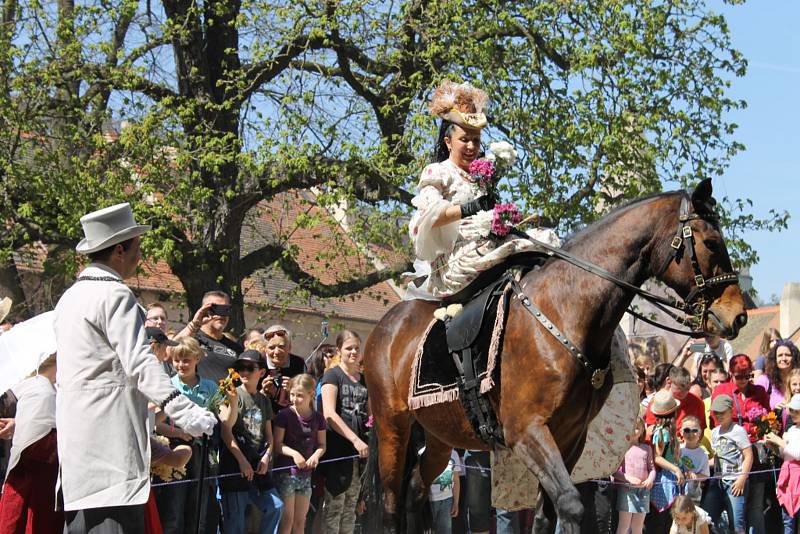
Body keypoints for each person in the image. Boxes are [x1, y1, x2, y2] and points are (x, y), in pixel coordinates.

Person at [54, 203, 216, 533]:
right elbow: (140, 361)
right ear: (118, 249)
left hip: (79, 455)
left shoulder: (69, 298)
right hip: (112, 453)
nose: (139, 257)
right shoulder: (114, 294)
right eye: (136, 248)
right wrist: (185, 412)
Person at [405, 80, 558, 299]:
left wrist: (504, 219)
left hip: (488, 241)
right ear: (448, 142)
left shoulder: (482, 176)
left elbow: (489, 216)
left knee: (544, 239)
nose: (471, 147)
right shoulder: (437, 172)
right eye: (464, 140)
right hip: (458, 258)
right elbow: (430, 218)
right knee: (509, 247)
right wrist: (470, 208)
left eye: (476, 141)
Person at [156, 336, 223, 534]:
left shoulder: (210, 387)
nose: (181, 364)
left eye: (186, 360)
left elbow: (223, 418)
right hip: (176, 448)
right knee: (173, 508)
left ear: (197, 359)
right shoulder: (168, 386)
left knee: (198, 508)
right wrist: (179, 432)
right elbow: (155, 423)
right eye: (177, 360)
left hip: (202, 452)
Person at [219, 349, 283, 534]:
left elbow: (269, 435)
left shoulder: (264, 400)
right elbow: (226, 432)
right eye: (240, 367)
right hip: (234, 464)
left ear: (261, 372)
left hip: (257, 463)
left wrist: (266, 457)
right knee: (235, 523)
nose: (244, 372)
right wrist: (241, 461)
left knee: (276, 506)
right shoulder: (230, 393)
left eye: (249, 368)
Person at [0, 354, 63, 533]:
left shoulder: (39, 388)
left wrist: (18, 425)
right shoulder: (43, 391)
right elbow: (37, 443)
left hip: (26, 484)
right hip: (38, 486)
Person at [708, 354, 769, 534]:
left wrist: (759, 432)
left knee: (756, 506)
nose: (742, 380)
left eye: (747, 376)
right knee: (727, 509)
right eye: (738, 376)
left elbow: (769, 420)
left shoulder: (759, 392)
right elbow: (715, 420)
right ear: (730, 373)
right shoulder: (722, 391)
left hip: (755, 456)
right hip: (729, 458)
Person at [320, 330, 369, 534]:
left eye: (357, 347)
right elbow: (329, 413)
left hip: (360, 455)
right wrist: (355, 439)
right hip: (338, 451)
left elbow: (371, 415)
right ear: (339, 350)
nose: (354, 352)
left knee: (351, 509)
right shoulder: (332, 375)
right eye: (349, 348)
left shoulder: (364, 379)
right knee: (335, 509)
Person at [273, 374, 327, 534]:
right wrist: (294, 454)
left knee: (300, 521)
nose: (295, 399)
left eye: (300, 395)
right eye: (292, 394)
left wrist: (315, 456)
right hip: (286, 473)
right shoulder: (284, 415)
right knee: (287, 521)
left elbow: (322, 445)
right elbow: (277, 444)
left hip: (306, 475)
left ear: (311, 394)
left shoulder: (318, 419)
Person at [709, 394, 752, 534]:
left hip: (734, 482)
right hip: (717, 481)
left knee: (737, 523)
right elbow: (716, 458)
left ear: (730, 410)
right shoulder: (714, 432)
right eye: (716, 412)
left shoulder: (738, 431)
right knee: (706, 515)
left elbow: (748, 456)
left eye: (722, 412)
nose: (719, 415)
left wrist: (742, 479)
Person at [649, 390, 684, 529]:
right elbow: (657, 457)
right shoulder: (662, 432)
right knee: (663, 522)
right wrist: (675, 469)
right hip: (665, 481)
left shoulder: (669, 431)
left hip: (673, 478)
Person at [765, 393, 800, 534]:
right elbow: (785, 453)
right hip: (788, 479)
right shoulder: (791, 430)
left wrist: (779, 441)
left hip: (798, 479)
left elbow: (797, 454)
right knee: (787, 521)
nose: (793, 413)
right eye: (792, 410)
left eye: (797, 411)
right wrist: (772, 446)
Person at [191, 290, 244, 382]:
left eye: (225, 309)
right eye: (215, 309)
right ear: (204, 311)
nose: (221, 315)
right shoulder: (191, 339)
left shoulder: (236, 348)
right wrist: (194, 324)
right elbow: (169, 351)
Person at [614, 418, 654, 534]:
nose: (633, 430)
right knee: (624, 526)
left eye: (637, 427)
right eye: (631, 426)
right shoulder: (622, 448)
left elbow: (652, 469)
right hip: (626, 491)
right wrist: (628, 478)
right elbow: (614, 471)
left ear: (642, 430)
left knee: (638, 526)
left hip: (643, 491)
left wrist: (650, 479)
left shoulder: (647, 448)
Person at [646, 367, 707, 438]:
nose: (684, 392)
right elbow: (650, 431)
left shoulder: (697, 402)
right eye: (680, 387)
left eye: (687, 388)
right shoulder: (658, 402)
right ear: (669, 381)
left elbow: (701, 429)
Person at [260, 326, 307, 413]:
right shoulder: (258, 363)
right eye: (272, 348)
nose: (277, 352)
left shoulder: (299, 364)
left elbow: (309, 396)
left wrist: (295, 388)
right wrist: (263, 392)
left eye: (281, 347)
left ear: (289, 347)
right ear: (265, 349)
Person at [755, 339, 800, 409]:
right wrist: (772, 409)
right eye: (780, 355)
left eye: (787, 355)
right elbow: (754, 405)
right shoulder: (765, 380)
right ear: (774, 359)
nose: (784, 358)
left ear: (794, 358)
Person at [428, 448, 461, 534]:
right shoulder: (422, 453)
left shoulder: (454, 454)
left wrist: (456, 502)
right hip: (429, 502)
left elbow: (456, 480)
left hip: (447, 501)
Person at [678, 415, 709, 505]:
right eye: (687, 430)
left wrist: (696, 476)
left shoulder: (703, 454)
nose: (690, 434)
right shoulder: (678, 449)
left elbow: (705, 475)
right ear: (681, 432)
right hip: (677, 492)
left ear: (700, 433)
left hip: (693, 495)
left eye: (694, 430)